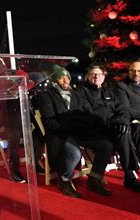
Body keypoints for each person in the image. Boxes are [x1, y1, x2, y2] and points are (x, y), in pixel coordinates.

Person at [79, 64, 140, 193]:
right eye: (93, 74)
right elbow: (89, 114)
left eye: (99, 74)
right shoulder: (82, 92)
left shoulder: (109, 91)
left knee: (138, 129)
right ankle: (129, 177)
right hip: (98, 128)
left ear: (103, 77)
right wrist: (116, 122)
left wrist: (122, 121)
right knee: (123, 132)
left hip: (115, 126)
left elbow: (123, 109)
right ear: (88, 76)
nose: (96, 76)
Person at [38, 65, 113, 198]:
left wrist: (87, 122)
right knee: (74, 153)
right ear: (55, 80)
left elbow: (85, 113)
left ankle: (94, 179)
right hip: (60, 135)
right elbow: (50, 122)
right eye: (61, 78)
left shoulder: (75, 94)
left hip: (79, 132)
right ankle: (64, 179)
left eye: (67, 77)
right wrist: (71, 122)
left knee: (106, 145)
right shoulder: (46, 96)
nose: (66, 81)